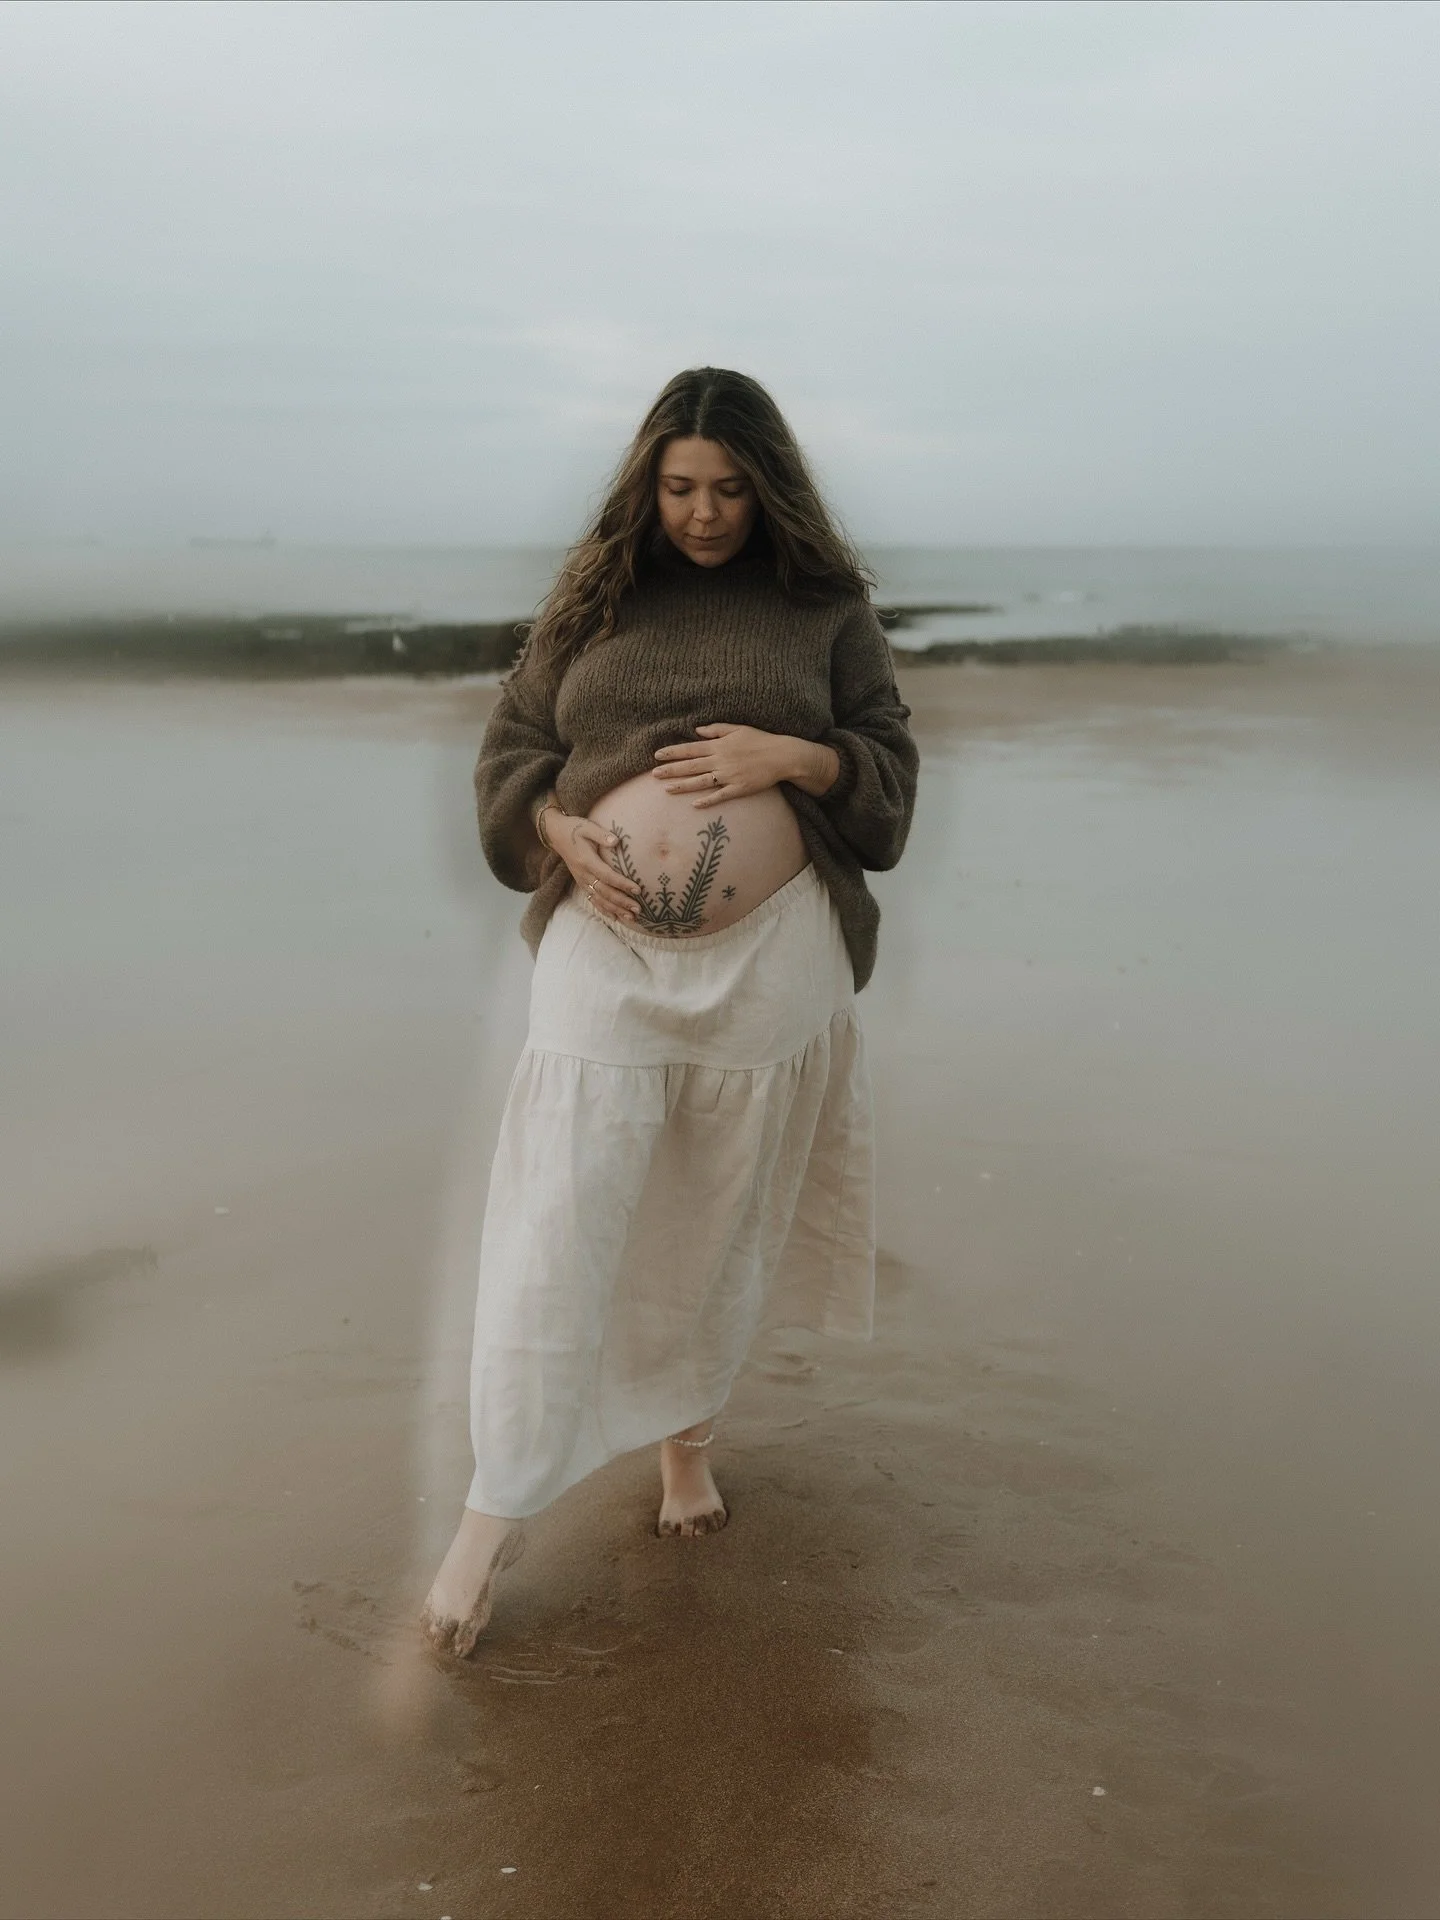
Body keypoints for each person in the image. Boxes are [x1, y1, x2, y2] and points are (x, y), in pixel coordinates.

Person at [421, 367, 918, 1656]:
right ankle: (487, 1519)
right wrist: (554, 826)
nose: (705, 515)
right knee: (562, 1214)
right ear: (647, 483)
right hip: (606, 949)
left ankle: (684, 1454)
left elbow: (890, 767)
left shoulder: (824, 606)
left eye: (733, 490)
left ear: (773, 488)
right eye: (682, 487)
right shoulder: (593, 599)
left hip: (771, 958)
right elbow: (509, 751)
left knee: (714, 1210)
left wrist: (794, 758)